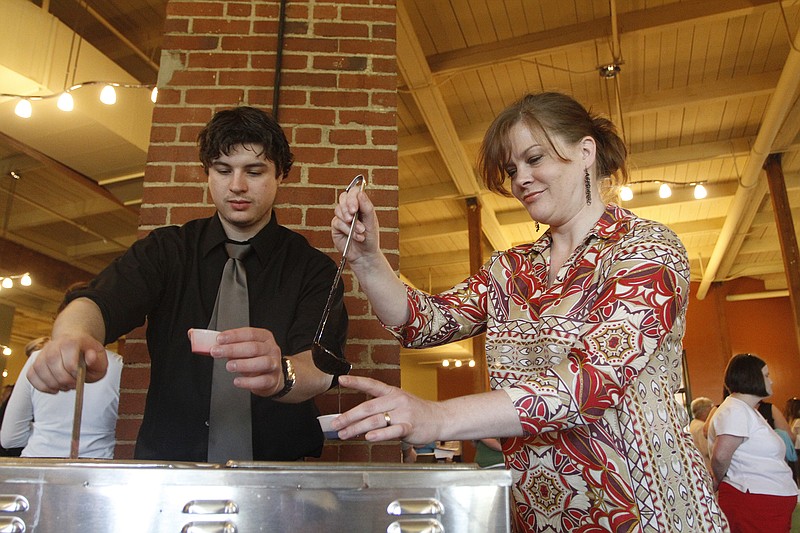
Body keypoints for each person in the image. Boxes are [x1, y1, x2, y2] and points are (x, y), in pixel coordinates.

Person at [328, 92, 727, 532]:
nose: (521, 179)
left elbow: (590, 381)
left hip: (650, 513)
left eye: (534, 159)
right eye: (512, 169)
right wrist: (368, 259)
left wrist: (438, 416)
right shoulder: (510, 268)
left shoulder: (646, 248)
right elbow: (423, 321)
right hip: (543, 517)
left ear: (585, 152)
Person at [26, 106, 349, 463]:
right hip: (169, 467)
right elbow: (100, 301)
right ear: (207, 173)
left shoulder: (314, 269)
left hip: (281, 474)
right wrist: (71, 335)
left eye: (254, 172)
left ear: (281, 175)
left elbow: (320, 367)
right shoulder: (165, 251)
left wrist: (281, 375)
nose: (237, 185)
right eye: (223, 170)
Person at [708, 353, 797, 532]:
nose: (770, 381)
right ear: (750, 377)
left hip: (766, 501)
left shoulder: (746, 410)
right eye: (766, 375)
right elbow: (721, 455)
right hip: (754, 501)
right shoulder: (735, 410)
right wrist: (717, 479)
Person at [0, 346, 123, 458]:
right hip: (97, 469)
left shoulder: (38, 359)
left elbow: (10, 438)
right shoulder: (119, 365)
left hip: (37, 464)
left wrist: (46, 432)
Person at [690, 396, 715, 473]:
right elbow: (707, 450)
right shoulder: (701, 427)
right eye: (710, 409)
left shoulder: (693, 424)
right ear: (704, 411)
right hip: (708, 467)